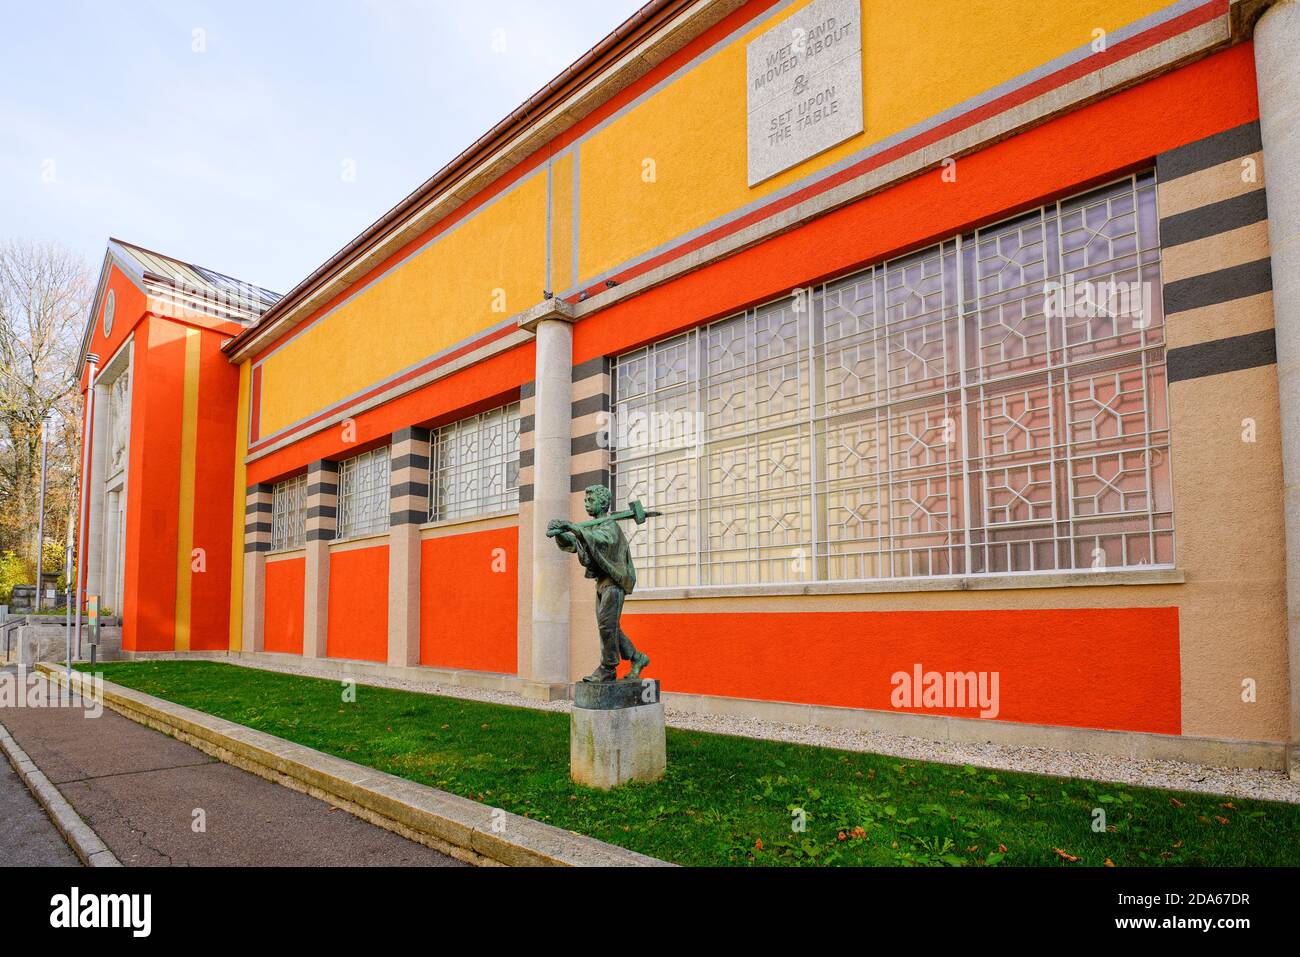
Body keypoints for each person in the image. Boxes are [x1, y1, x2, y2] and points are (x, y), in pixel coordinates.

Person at [548, 484, 651, 683]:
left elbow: (602, 543)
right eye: (585, 501)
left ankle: (608, 668)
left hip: (614, 582)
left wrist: (574, 528)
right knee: (610, 627)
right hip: (602, 583)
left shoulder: (610, 527)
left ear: (603, 503)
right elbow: (576, 546)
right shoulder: (594, 527)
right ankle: (638, 658)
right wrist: (560, 533)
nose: (587, 504)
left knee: (606, 626)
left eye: (591, 500)